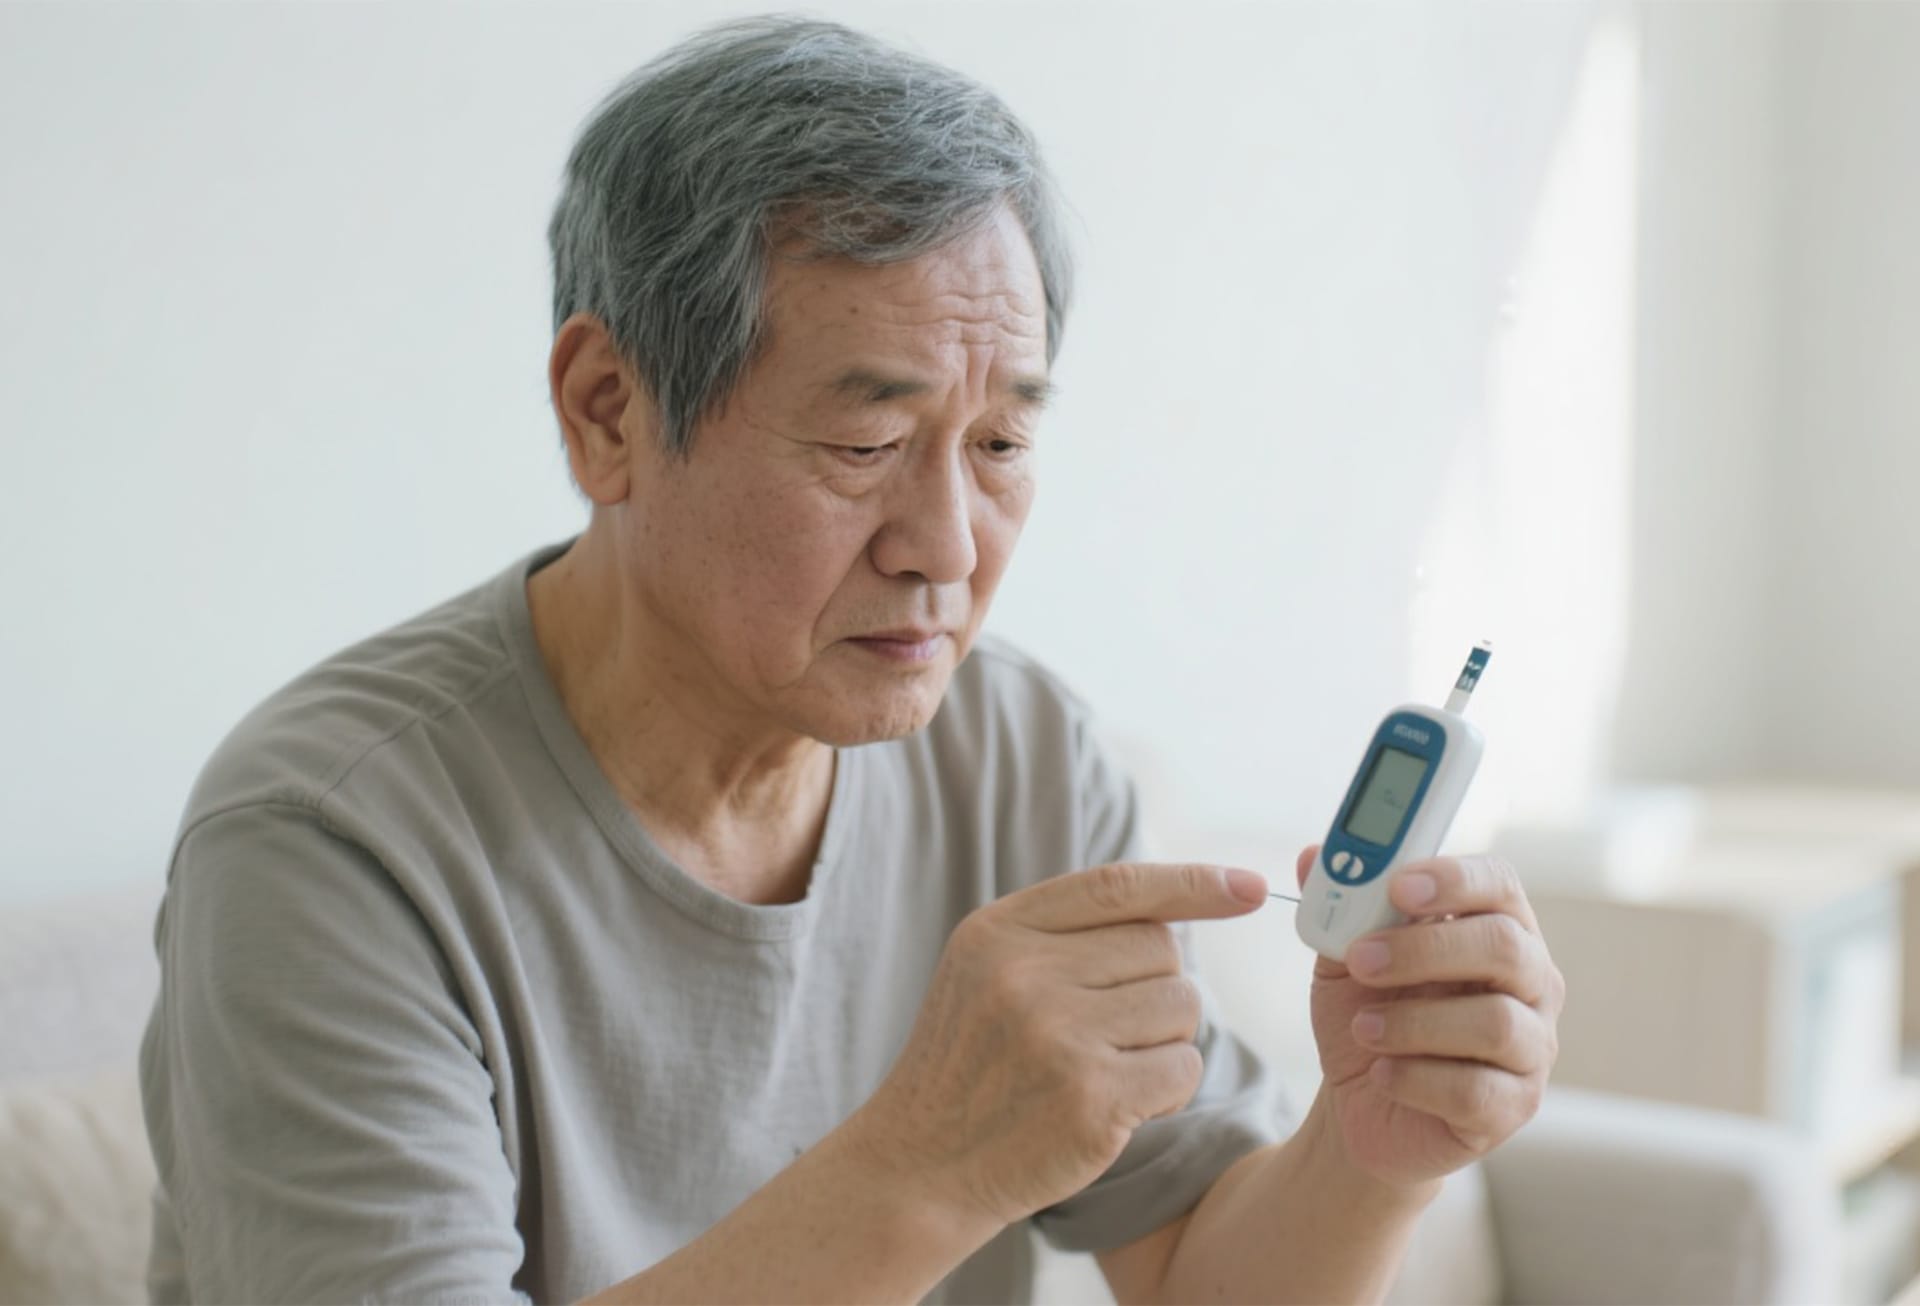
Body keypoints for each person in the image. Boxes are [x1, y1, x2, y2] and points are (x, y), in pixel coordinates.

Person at [138, 15, 1565, 1304]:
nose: (947, 546)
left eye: (1001, 444)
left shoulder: (1024, 763)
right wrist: (925, 1164)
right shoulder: (329, 840)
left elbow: (1201, 1271)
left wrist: (1376, 1149)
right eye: (867, 445)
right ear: (606, 411)